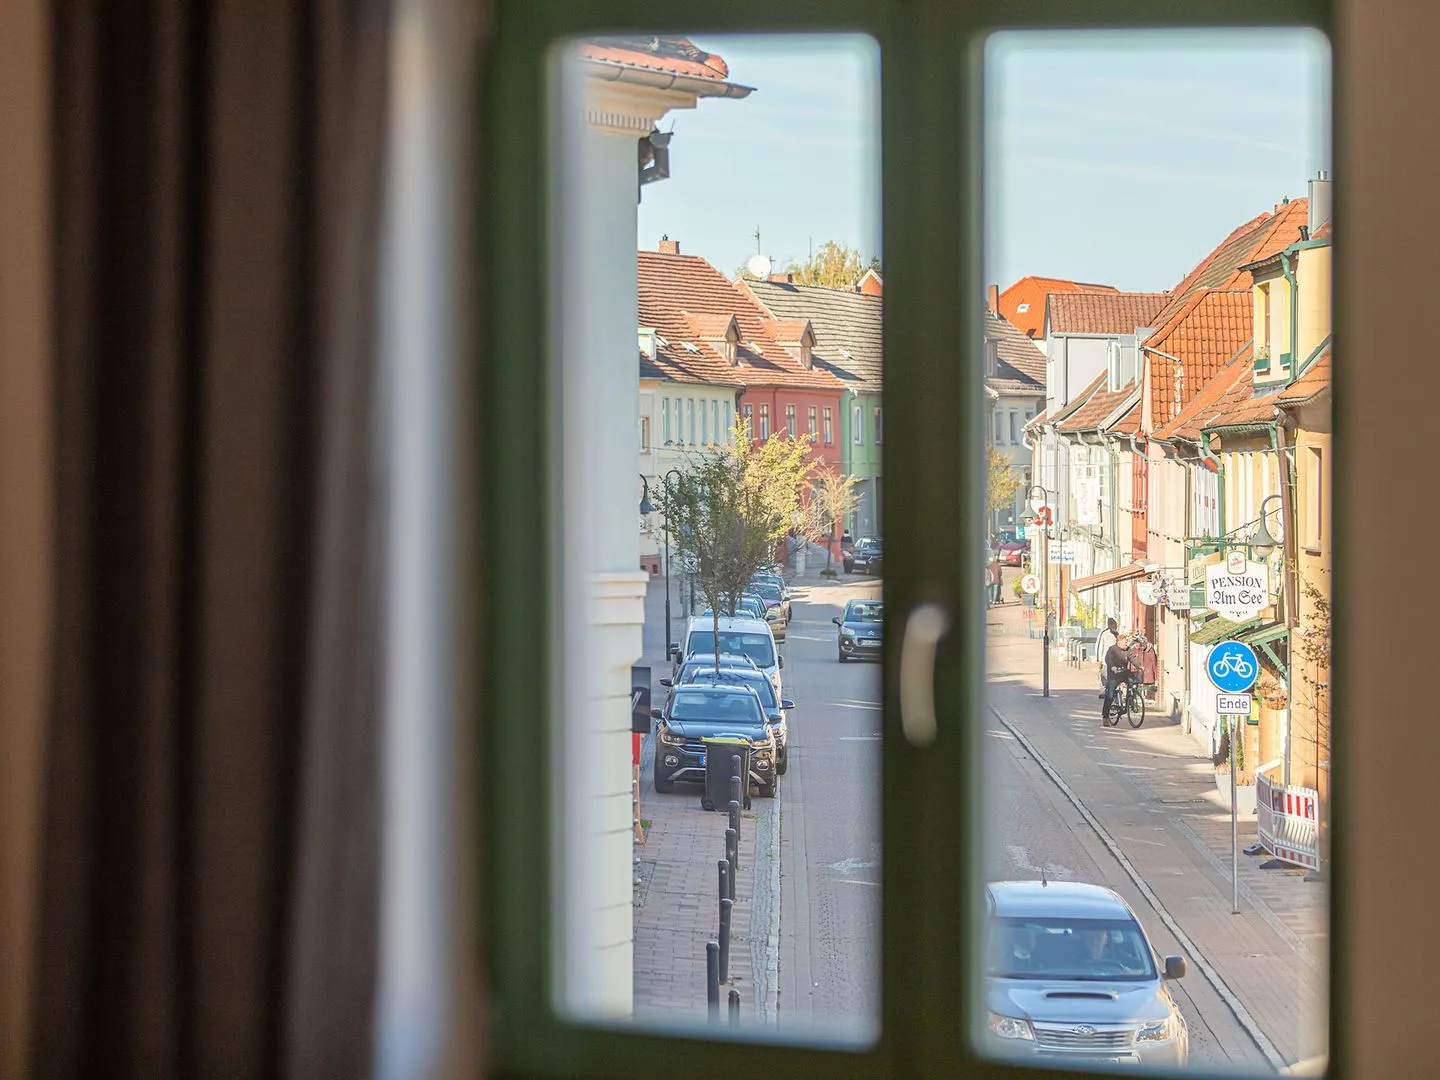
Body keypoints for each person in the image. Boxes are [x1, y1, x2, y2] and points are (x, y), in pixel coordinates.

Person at [1101, 632, 1138, 721]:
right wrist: (1113, 667)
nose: (1126, 644)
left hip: (1124, 672)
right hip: (1114, 674)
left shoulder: (1128, 650)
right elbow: (1108, 659)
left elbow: (1132, 658)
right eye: (1125, 642)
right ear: (1119, 642)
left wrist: (1139, 666)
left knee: (1133, 682)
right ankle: (1105, 716)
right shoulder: (1112, 649)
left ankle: (1130, 700)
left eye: (1126, 642)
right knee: (1109, 694)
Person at [1094, 618, 1119, 697]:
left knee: (1115, 675)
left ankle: (1113, 690)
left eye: (1115, 625)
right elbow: (1099, 646)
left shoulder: (1117, 634)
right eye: (1112, 625)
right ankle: (1103, 691)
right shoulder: (1104, 633)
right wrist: (1099, 658)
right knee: (1104, 675)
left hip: (1116, 659)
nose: (1114, 627)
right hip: (1105, 659)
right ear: (1109, 625)